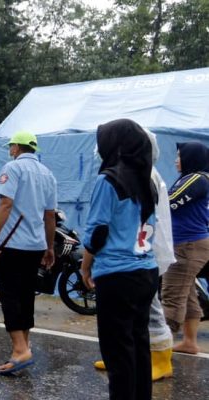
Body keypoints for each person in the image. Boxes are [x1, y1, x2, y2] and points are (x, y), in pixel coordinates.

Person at [81, 119, 159, 399]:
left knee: (118, 354)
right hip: (146, 271)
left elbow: (97, 231)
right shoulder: (147, 180)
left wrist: (85, 264)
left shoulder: (109, 179)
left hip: (117, 274)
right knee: (139, 345)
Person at [93, 128, 176, 381]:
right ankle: (132, 363)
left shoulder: (116, 178)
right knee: (137, 330)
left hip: (126, 262)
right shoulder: (144, 175)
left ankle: (160, 359)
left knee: (145, 317)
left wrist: (88, 263)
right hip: (144, 259)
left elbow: (97, 230)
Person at [0, 131, 56, 375]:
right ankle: (22, 348)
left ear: (17, 147)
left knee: (9, 295)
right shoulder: (48, 174)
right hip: (36, 245)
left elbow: (5, 204)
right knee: (26, 295)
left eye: (11, 146)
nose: (10, 150)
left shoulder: (13, 168)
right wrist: (49, 247)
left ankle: (20, 349)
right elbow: (50, 216)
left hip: (13, 243)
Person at [161, 141, 209, 355]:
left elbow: (168, 202)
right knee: (187, 293)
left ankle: (160, 349)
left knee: (172, 295)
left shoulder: (196, 179)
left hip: (187, 245)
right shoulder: (199, 179)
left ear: (191, 158)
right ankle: (189, 342)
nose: (176, 160)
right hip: (191, 243)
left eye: (179, 156)